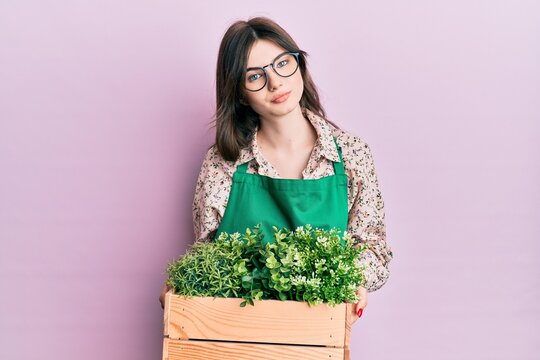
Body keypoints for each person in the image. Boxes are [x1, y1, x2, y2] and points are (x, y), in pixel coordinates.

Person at [160, 17, 393, 322]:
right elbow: (208, 256)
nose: (275, 83)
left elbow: (374, 249)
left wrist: (353, 281)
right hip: (235, 334)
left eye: (282, 63)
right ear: (240, 92)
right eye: (255, 76)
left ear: (299, 65)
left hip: (316, 334)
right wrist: (182, 287)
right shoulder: (223, 163)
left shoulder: (351, 155)